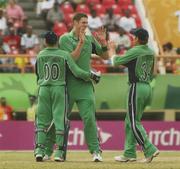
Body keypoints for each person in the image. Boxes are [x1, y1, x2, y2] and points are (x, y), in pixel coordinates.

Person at [45, 13, 109, 162]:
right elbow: (70, 59)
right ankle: (49, 150)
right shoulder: (65, 39)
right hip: (67, 85)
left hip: (85, 86)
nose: (85, 25)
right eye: (82, 23)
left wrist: (103, 42)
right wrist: (81, 43)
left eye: (87, 23)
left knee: (89, 119)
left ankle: (96, 151)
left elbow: (105, 56)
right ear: (74, 22)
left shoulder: (89, 38)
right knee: (59, 119)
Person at [34, 31, 100, 162]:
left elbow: (37, 73)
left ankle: (39, 151)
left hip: (43, 88)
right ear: (57, 41)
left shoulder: (40, 55)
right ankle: (59, 152)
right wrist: (92, 75)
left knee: (42, 121)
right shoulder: (64, 55)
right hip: (59, 88)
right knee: (60, 120)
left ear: (45, 42)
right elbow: (77, 71)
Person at [108, 28, 159, 163]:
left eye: (133, 36)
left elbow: (115, 62)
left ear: (136, 38)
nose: (132, 38)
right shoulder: (150, 51)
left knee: (133, 121)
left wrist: (111, 50)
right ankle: (129, 153)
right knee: (130, 121)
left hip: (136, 87)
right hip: (147, 86)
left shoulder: (135, 51)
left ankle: (149, 148)